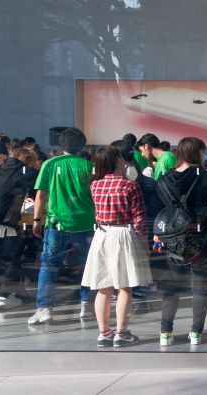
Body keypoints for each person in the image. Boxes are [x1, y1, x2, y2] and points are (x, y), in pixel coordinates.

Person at [81, 145, 152, 347]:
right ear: (117, 161)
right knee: (124, 287)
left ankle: (104, 333)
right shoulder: (130, 186)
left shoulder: (95, 185)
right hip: (123, 234)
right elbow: (139, 219)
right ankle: (121, 333)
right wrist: (145, 245)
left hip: (101, 234)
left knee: (103, 287)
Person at [155, 137, 207, 347]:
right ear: (198, 153)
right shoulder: (206, 178)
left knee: (172, 287)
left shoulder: (164, 179)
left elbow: (160, 211)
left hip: (173, 240)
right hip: (201, 240)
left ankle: (165, 333)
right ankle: (196, 333)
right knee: (199, 287)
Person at [28, 127, 96, 325]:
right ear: (82, 145)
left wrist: (36, 221)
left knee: (49, 267)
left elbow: (41, 195)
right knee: (87, 266)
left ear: (60, 144)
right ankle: (86, 305)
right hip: (85, 223)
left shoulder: (50, 164)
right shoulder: (89, 166)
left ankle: (44, 308)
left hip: (56, 224)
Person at [0, 145, 37, 313]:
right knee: (11, 260)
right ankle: (6, 296)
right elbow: (37, 195)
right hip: (8, 224)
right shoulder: (27, 172)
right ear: (28, 160)